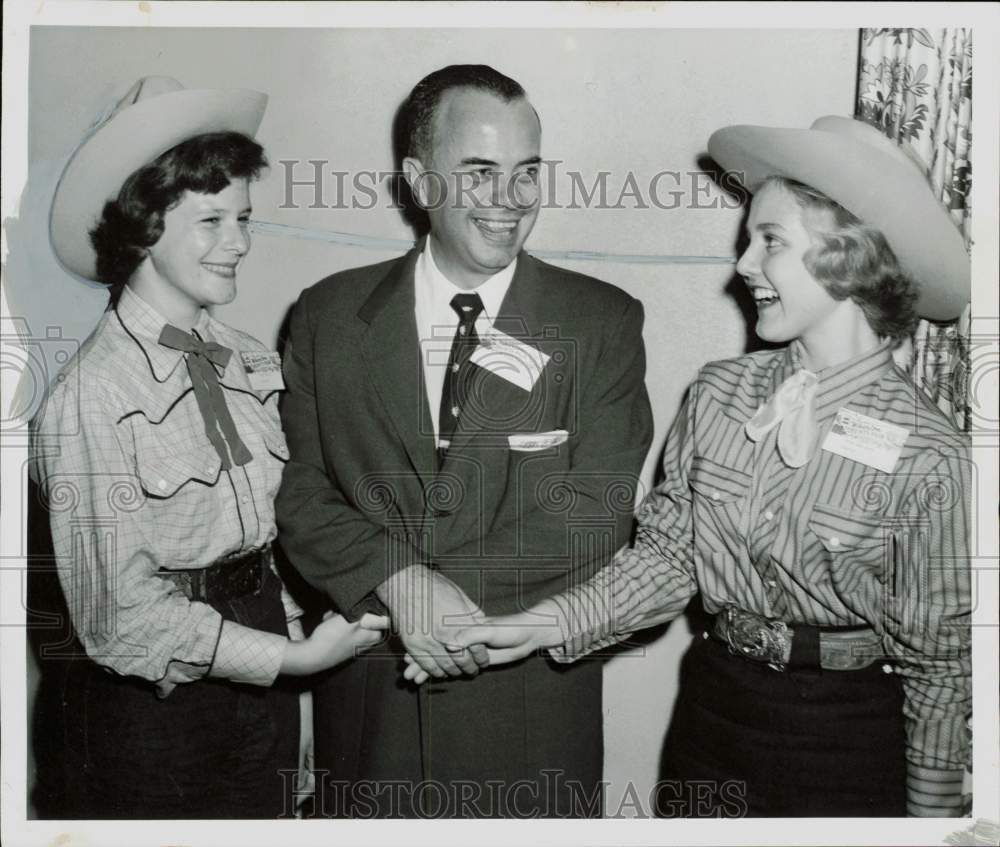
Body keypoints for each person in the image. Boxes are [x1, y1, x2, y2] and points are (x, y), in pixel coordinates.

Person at [444, 116, 972, 818]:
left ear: (847, 254)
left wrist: (932, 820)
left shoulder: (932, 452)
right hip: (714, 711)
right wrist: (546, 623)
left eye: (770, 241)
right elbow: (667, 559)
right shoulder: (720, 392)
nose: (743, 265)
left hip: (848, 735)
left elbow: (941, 669)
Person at [275, 64, 653, 818]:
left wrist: (443, 609)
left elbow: (596, 510)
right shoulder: (327, 315)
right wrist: (400, 579)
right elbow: (301, 492)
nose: (511, 202)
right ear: (418, 180)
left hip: (526, 722)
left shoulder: (600, 321)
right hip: (370, 715)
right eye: (480, 174)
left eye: (527, 173)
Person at [30, 76, 387, 819]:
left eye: (245, 218)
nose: (241, 243)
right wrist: (291, 661)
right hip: (150, 712)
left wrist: (293, 661)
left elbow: (272, 534)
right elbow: (118, 616)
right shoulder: (89, 394)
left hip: (260, 674)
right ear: (143, 224)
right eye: (213, 220)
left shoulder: (248, 358)